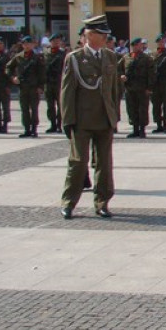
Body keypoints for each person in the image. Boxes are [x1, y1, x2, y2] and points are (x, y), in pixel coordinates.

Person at [60, 15, 120, 219]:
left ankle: (102, 202)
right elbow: (67, 92)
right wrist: (68, 120)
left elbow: (114, 90)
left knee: (105, 163)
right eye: (102, 34)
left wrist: (115, 117)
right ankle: (69, 202)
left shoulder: (110, 56)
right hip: (82, 119)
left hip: (104, 118)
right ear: (90, 35)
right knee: (78, 162)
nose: (106, 38)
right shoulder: (75, 58)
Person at [6, 35, 46, 137]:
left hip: (33, 87)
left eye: (29, 43)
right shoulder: (18, 57)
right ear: (22, 45)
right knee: (24, 109)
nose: (27, 45)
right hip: (22, 87)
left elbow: (42, 73)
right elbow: (8, 68)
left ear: (33, 45)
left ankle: (34, 129)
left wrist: (41, 87)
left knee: (34, 109)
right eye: (25, 44)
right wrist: (13, 78)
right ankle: (27, 129)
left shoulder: (37, 57)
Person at [119, 37, 155, 138]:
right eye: (137, 45)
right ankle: (135, 129)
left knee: (142, 109)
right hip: (130, 88)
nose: (139, 46)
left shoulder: (147, 58)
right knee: (131, 109)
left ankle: (142, 130)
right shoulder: (126, 57)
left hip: (142, 88)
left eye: (140, 44)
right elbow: (119, 70)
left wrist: (149, 88)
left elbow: (151, 74)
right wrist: (121, 76)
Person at [43, 34, 66, 133]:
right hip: (48, 83)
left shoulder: (63, 53)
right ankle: (52, 124)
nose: (56, 42)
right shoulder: (45, 53)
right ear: (50, 42)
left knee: (60, 105)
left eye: (58, 41)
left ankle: (59, 125)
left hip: (59, 82)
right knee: (50, 105)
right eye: (54, 41)